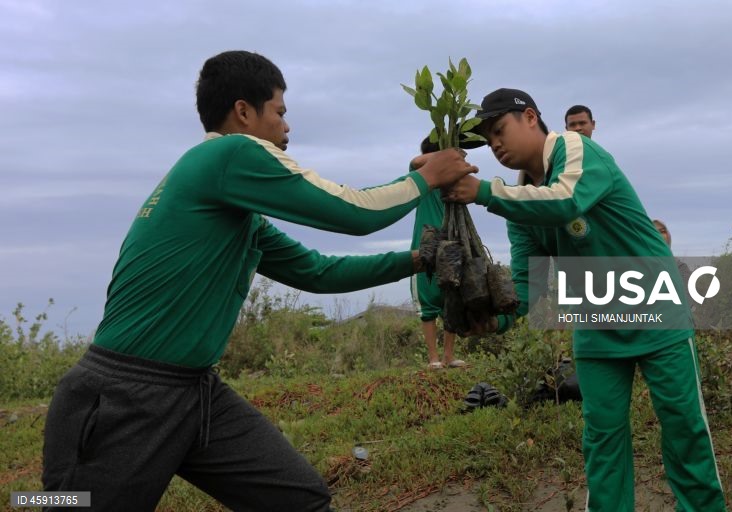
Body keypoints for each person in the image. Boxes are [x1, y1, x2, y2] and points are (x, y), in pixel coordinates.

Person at [41, 51, 476, 512]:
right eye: (280, 113)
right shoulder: (229, 153)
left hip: (195, 393)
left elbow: (317, 271)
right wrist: (426, 177)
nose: (287, 128)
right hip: (124, 396)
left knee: (300, 500)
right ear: (243, 112)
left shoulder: (235, 211)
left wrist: (418, 259)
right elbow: (352, 211)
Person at [445, 88, 725, 511]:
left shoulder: (576, 149)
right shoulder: (520, 205)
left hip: (658, 310)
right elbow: (528, 288)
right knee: (603, 439)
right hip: (596, 326)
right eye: (488, 140)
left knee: (685, 429)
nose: (495, 144)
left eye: (499, 130)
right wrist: (493, 322)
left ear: (531, 118)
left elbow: (567, 200)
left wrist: (484, 191)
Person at [409, 135, 482, 370]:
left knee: (451, 299)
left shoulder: (455, 182)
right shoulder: (420, 179)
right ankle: (433, 358)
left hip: (452, 241)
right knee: (427, 303)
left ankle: (448, 356)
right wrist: (447, 157)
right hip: (426, 244)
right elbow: (415, 161)